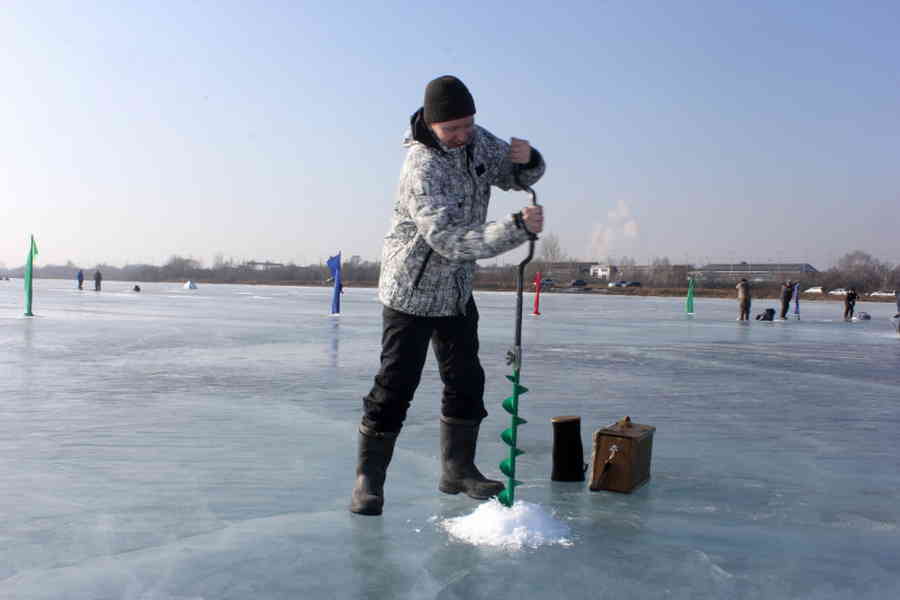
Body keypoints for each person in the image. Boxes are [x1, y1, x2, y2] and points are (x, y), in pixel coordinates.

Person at [350, 75, 546, 516]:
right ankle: (368, 481)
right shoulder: (421, 168)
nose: (462, 135)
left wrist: (529, 159)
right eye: (451, 129)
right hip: (411, 292)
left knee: (466, 379)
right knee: (395, 386)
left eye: (467, 125)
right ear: (431, 124)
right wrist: (515, 228)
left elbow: (517, 174)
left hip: (455, 289)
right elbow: (448, 240)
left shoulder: (477, 141)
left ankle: (457, 470)